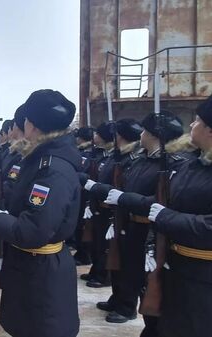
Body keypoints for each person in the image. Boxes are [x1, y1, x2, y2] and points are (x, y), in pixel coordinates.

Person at [111, 93, 212, 337]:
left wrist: (165, 217)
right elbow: (168, 200)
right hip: (186, 274)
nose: (191, 126)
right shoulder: (196, 164)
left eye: (197, 121)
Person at [0, 89, 81, 337]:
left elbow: (33, 231)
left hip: (42, 273)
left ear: (32, 124)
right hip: (29, 266)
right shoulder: (39, 159)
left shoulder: (51, 169)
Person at [100, 111, 190, 335]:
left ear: (152, 135)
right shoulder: (142, 159)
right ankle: (125, 303)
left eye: (145, 131)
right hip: (131, 223)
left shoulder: (175, 163)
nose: (141, 135)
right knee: (128, 270)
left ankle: (144, 318)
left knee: (149, 279)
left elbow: (164, 199)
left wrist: (127, 199)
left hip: (151, 229)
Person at [83, 118, 143, 323]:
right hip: (110, 212)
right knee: (113, 256)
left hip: (126, 216)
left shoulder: (133, 158)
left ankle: (127, 306)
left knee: (127, 265)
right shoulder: (116, 155)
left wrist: (96, 188)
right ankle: (116, 298)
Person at [80, 122, 114, 288]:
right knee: (96, 243)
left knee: (104, 245)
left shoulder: (113, 158)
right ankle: (97, 270)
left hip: (108, 207)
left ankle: (103, 275)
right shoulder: (103, 156)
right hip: (96, 203)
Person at [72, 127, 95, 266]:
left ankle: (84, 254)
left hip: (86, 194)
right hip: (81, 193)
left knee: (84, 226)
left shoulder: (88, 154)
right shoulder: (80, 152)